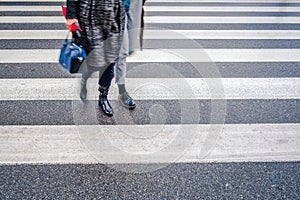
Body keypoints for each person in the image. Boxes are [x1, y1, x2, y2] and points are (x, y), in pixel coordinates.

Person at [66, 0, 125, 117]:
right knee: (91, 62)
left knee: (109, 63)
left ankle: (103, 97)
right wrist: (71, 15)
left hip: (112, 19)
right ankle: (84, 80)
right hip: (88, 22)